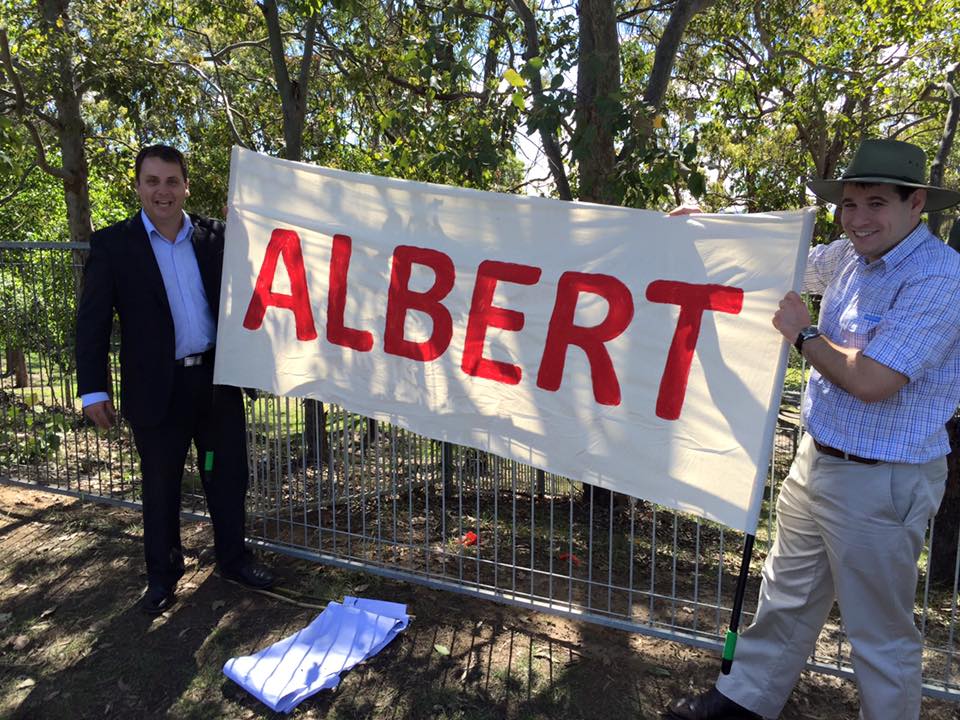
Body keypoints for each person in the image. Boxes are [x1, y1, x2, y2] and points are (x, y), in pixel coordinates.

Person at [665, 138, 960, 719]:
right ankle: (742, 704)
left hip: (883, 481)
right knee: (786, 597)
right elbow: (782, 258)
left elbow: (875, 381)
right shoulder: (851, 256)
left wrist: (804, 336)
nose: (858, 219)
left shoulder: (941, 277)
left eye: (875, 203)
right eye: (849, 206)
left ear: (916, 203)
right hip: (818, 460)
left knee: (878, 634)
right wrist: (708, 225)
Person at [76, 144, 273, 615]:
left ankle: (233, 560)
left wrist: (249, 227)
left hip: (214, 386)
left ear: (185, 185)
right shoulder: (113, 245)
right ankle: (162, 576)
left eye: (171, 181)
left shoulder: (216, 236)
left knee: (224, 475)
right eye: (152, 181)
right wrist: (93, 388)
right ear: (139, 186)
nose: (163, 191)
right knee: (161, 484)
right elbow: (92, 322)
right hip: (156, 392)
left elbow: (253, 279)